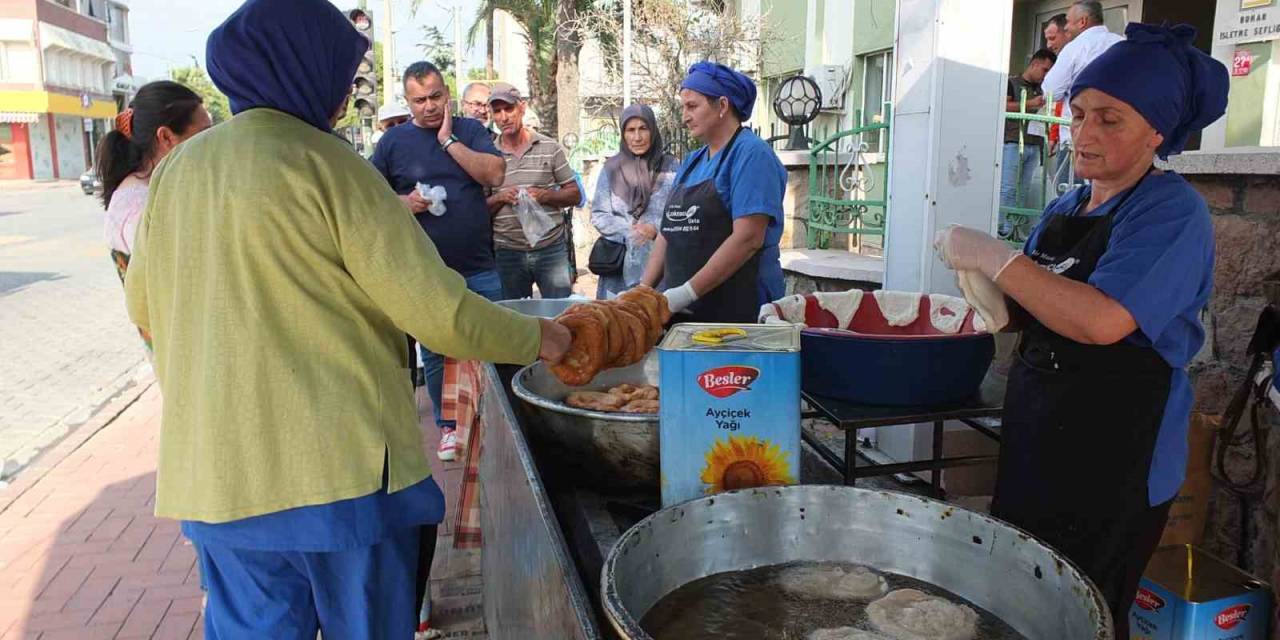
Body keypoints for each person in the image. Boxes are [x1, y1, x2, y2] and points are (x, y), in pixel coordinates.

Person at [124, 1, 570, 638]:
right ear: (303, 70)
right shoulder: (331, 167)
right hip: (336, 475)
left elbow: (143, 306)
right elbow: (438, 314)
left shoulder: (175, 174)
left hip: (216, 478)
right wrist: (542, 336)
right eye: (341, 76)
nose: (343, 95)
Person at [935, 23, 1227, 640]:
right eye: (1081, 112)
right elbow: (1035, 311)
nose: (1085, 132)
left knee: (1085, 613)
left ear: (1157, 132)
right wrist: (983, 291)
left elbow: (1101, 320)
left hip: (1117, 459)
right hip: (1041, 436)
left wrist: (994, 257)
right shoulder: (1067, 208)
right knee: (1021, 602)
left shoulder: (1171, 212)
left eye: (1110, 119)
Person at [371, 61, 506, 465]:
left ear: (447, 93)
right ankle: (449, 426)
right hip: (424, 271)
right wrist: (405, 203)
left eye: (435, 97)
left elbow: (495, 173)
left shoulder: (469, 130)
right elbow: (371, 199)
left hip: (479, 264)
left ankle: (494, 421)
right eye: (419, 100)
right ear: (407, 101)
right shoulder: (394, 143)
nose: (429, 107)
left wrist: (449, 142)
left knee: (492, 341)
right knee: (435, 352)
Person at [640, 62, 787, 323]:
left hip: (737, 310)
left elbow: (748, 238)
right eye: (683, 107)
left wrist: (685, 293)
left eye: (692, 106)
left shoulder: (751, 155)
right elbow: (667, 233)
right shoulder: (693, 161)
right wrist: (643, 292)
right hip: (686, 310)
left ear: (722, 105)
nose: (684, 116)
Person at [97, 80, 212, 352]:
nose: (212, 144)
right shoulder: (140, 205)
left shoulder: (152, 190)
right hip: (182, 351)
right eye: (205, 134)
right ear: (166, 137)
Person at [486, 82, 580, 300]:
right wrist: (500, 197)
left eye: (508, 109)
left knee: (561, 315)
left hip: (550, 249)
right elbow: (479, 208)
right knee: (513, 320)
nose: (503, 117)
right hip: (507, 252)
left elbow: (575, 194)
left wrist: (545, 195)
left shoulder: (549, 147)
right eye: (497, 111)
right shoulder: (488, 154)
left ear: (522, 108)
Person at [590, 104, 678, 299]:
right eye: (630, 130)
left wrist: (654, 229)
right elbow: (599, 214)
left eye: (643, 129)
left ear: (653, 130)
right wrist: (630, 232)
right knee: (615, 321)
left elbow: (679, 212)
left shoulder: (671, 167)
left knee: (654, 319)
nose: (637, 137)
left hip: (659, 265)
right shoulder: (611, 168)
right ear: (623, 134)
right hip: (619, 266)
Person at [1043, 1, 1122, 187]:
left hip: (1078, 141)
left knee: (1071, 199)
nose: (1067, 27)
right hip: (1116, 138)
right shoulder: (1122, 44)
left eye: (1068, 22)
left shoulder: (1075, 48)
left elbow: (1051, 92)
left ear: (1082, 22)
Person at [1000, 48, 1056, 233]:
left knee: (1023, 190)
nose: (1045, 75)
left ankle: (1014, 228)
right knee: (1008, 188)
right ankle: (1002, 228)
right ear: (1034, 64)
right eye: (1045, 70)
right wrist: (1030, 104)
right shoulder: (1011, 82)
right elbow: (1003, 106)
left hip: (1035, 142)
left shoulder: (1043, 89)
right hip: (1013, 141)